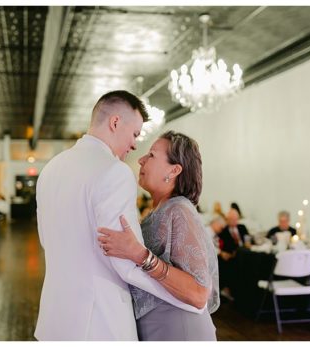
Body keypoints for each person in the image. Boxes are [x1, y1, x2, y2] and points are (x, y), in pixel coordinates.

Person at [33, 90, 199, 341]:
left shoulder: (51, 169)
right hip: (99, 322)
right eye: (134, 134)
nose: (134, 144)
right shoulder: (114, 171)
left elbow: (46, 240)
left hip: (54, 319)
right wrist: (188, 297)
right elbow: (126, 263)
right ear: (115, 122)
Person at [97, 131, 219, 340]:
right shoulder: (161, 210)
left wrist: (140, 255)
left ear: (174, 170)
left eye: (151, 155)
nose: (142, 160)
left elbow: (199, 294)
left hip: (179, 328)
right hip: (159, 327)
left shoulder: (179, 210)